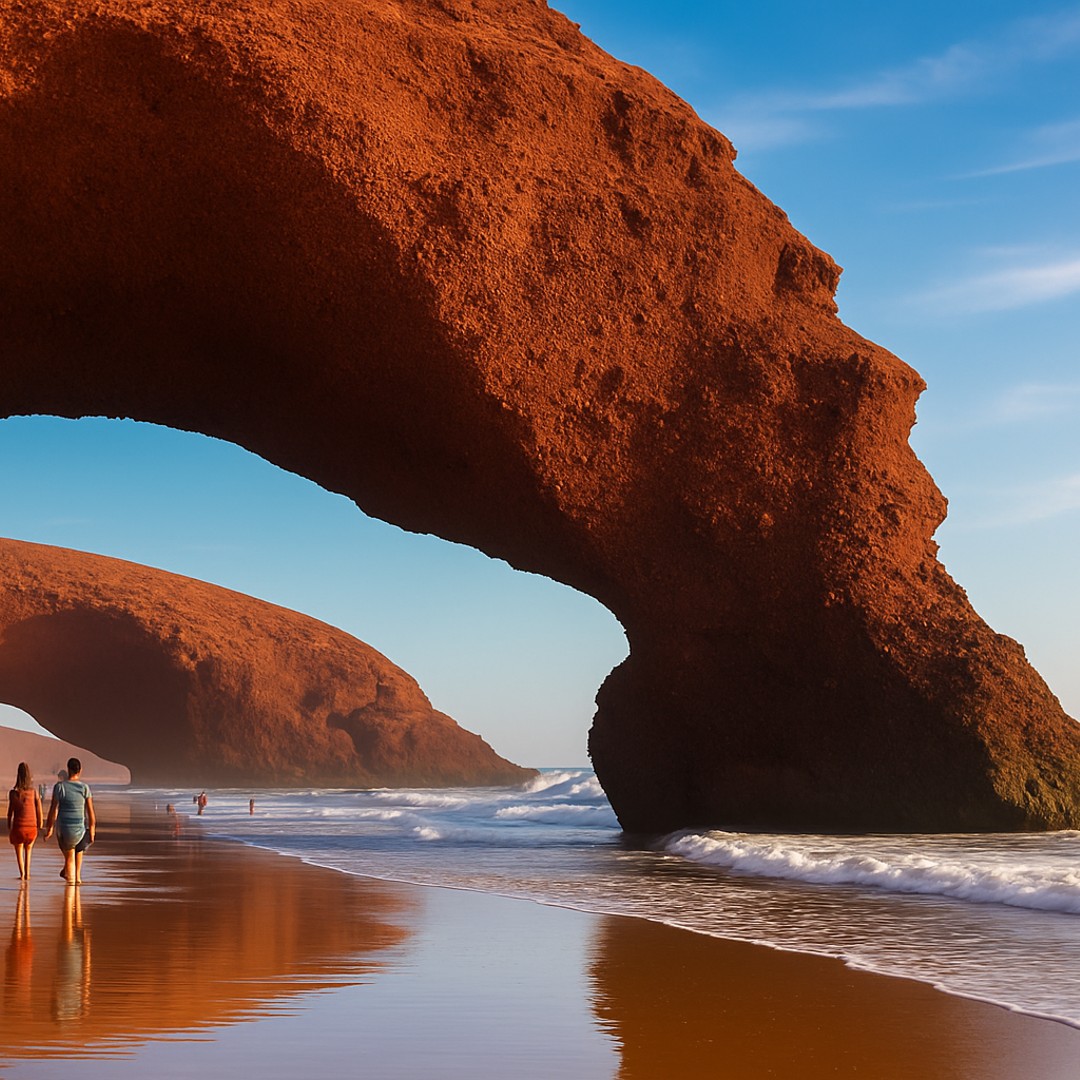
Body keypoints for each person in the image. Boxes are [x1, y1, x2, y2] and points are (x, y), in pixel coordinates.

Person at [45, 758, 96, 885]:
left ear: (68, 770)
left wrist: (49, 828)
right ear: (80, 771)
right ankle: (76, 877)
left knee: (70, 855)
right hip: (80, 829)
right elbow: (90, 812)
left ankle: (71, 884)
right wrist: (93, 830)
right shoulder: (85, 788)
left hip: (65, 830)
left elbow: (53, 809)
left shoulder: (60, 787)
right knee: (78, 848)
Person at [7, 762, 44, 880]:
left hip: (18, 828)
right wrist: (40, 824)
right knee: (28, 851)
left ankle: (22, 874)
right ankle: (28, 873)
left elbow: (10, 812)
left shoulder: (13, 793)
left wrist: (9, 826)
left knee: (19, 852)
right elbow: (39, 810)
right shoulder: (34, 793)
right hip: (31, 828)